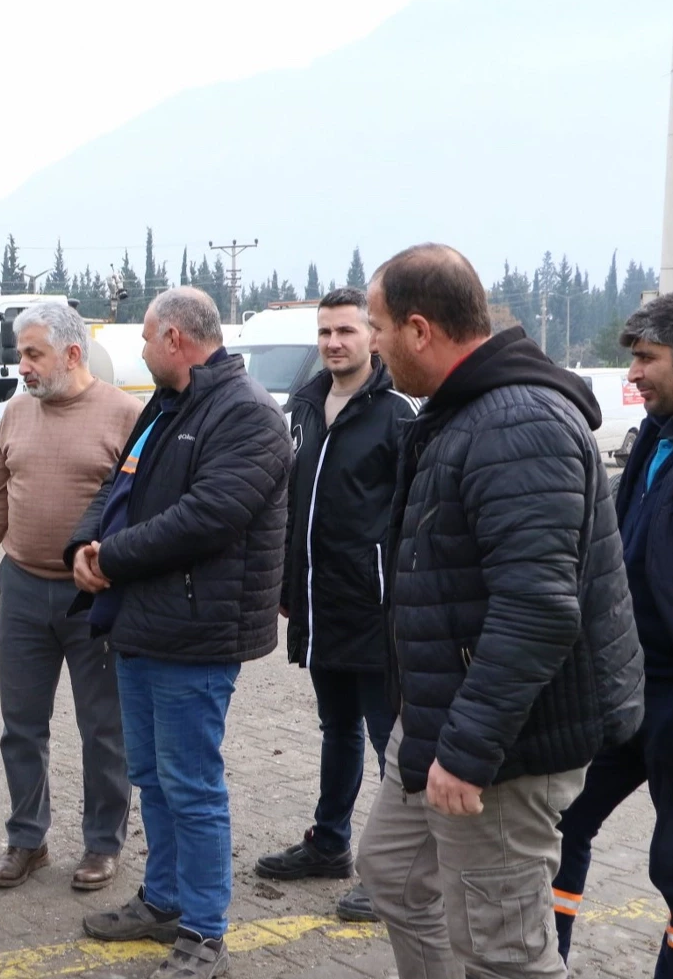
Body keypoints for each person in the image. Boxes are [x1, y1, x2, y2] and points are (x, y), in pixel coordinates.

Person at [354, 244, 644, 979]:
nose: (371, 344)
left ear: (419, 329)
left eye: (376, 326)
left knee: (504, 947)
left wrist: (469, 747)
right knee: (391, 871)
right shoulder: (462, 411)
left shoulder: (517, 424)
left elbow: (537, 609)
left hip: (504, 746)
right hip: (440, 719)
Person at [67, 287, 292, 979]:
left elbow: (209, 515)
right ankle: (162, 899)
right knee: (152, 776)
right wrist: (83, 543)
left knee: (191, 784)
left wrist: (112, 556)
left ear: (173, 338)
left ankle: (204, 931)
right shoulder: (167, 407)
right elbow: (117, 486)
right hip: (140, 621)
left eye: (143, 337)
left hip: (197, 630)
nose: (137, 348)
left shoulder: (247, 413)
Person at [0, 300, 141, 891]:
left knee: (103, 729)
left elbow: (140, 511)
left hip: (94, 600)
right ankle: (26, 838)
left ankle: (101, 845)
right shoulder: (16, 412)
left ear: (73, 353)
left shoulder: (126, 416)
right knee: (21, 725)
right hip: (20, 590)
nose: (24, 366)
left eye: (34, 354)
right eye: (22, 354)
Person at [254, 287, 412, 923]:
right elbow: (297, 503)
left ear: (373, 336)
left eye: (346, 331)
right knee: (337, 728)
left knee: (389, 744)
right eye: (324, 333)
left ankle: (392, 872)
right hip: (319, 607)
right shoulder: (306, 405)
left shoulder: (398, 414)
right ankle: (329, 843)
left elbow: (412, 517)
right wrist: (290, 583)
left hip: (375, 609)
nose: (333, 343)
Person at [551, 292, 673, 979]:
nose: (631, 374)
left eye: (644, 358)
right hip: (626, 683)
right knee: (558, 822)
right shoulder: (656, 438)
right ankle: (539, 964)